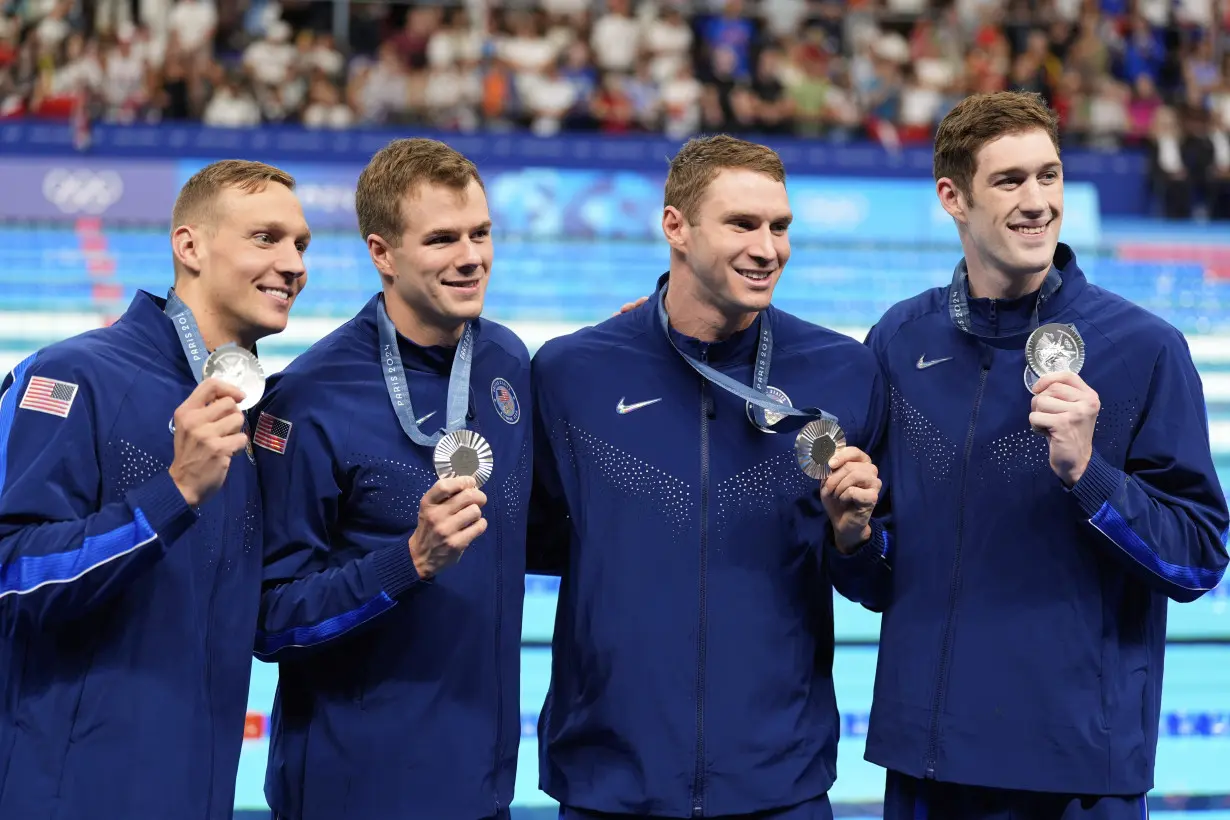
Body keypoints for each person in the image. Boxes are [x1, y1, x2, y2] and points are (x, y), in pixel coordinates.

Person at [832, 90, 1230, 819]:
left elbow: (1200, 559)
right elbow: (879, 574)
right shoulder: (900, 339)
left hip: (1076, 773)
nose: (1038, 201)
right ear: (952, 197)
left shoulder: (1144, 349)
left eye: (1049, 176)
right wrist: (853, 535)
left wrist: (1090, 472)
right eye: (1010, 181)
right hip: (928, 760)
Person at [529, 134, 886, 819]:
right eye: (742, 224)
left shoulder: (843, 371)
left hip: (778, 784)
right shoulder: (571, 373)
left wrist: (853, 536)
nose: (767, 247)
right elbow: (543, 542)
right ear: (675, 227)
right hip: (612, 783)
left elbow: (879, 582)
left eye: (780, 227)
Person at [0, 160, 310, 817]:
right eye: (266, 238)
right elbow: (11, 573)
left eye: (301, 244)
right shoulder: (71, 374)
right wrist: (173, 492)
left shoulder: (260, 418)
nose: (293, 264)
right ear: (189, 246)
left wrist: (411, 559)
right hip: (68, 797)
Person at [251, 138, 531, 820]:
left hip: (483, 787)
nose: (471, 257)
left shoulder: (506, 360)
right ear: (382, 253)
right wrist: (406, 562)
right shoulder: (310, 399)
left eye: (481, 233)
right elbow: (268, 620)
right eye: (442, 239)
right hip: (353, 791)